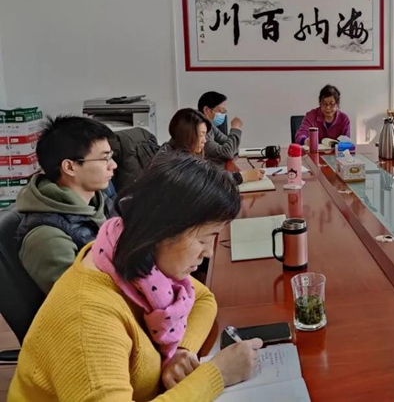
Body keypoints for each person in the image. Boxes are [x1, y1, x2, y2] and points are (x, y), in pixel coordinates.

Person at [9, 154, 263, 401]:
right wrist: (217, 375)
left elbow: (203, 299)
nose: (208, 252)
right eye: (204, 239)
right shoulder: (87, 317)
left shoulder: (129, 258)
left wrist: (180, 351)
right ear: (162, 230)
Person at [15, 116, 117, 294]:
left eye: (111, 157)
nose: (113, 165)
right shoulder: (47, 237)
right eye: (104, 159)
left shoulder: (100, 203)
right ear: (69, 167)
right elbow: (81, 298)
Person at [155, 109, 263, 184]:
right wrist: (244, 176)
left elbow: (207, 172)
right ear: (188, 135)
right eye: (201, 135)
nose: (205, 140)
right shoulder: (176, 161)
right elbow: (209, 180)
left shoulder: (173, 149)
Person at [198, 91, 243, 164]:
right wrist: (235, 129)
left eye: (224, 111)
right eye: (220, 111)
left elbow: (232, 147)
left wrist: (230, 148)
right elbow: (227, 153)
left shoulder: (211, 126)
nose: (223, 115)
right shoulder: (200, 129)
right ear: (207, 110)